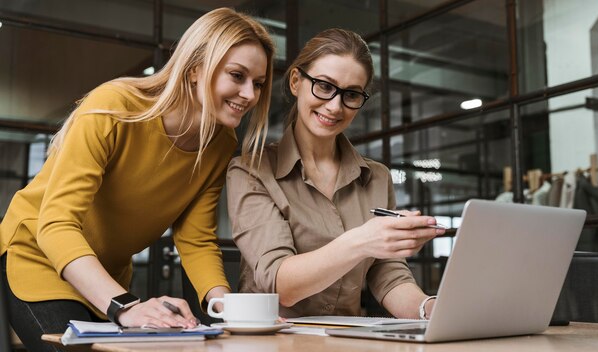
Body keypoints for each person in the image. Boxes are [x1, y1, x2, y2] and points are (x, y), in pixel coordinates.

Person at [0, 7, 274, 351]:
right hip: (36, 260)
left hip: (107, 278)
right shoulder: (115, 106)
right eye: (237, 76)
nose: (250, 94)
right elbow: (56, 225)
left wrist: (230, 309)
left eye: (259, 83)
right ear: (194, 69)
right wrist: (124, 306)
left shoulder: (221, 143)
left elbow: (196, 240)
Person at [226, 28, 444, 320]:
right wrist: (363, 241)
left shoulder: (376, 177)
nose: (335, 106)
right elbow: (280, 283)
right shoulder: (250, 171)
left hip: (343, 338)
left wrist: (430, 310)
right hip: (271, 341)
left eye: (351, 94)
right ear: (295, 82)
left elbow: (388, 274)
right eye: (324, 86)